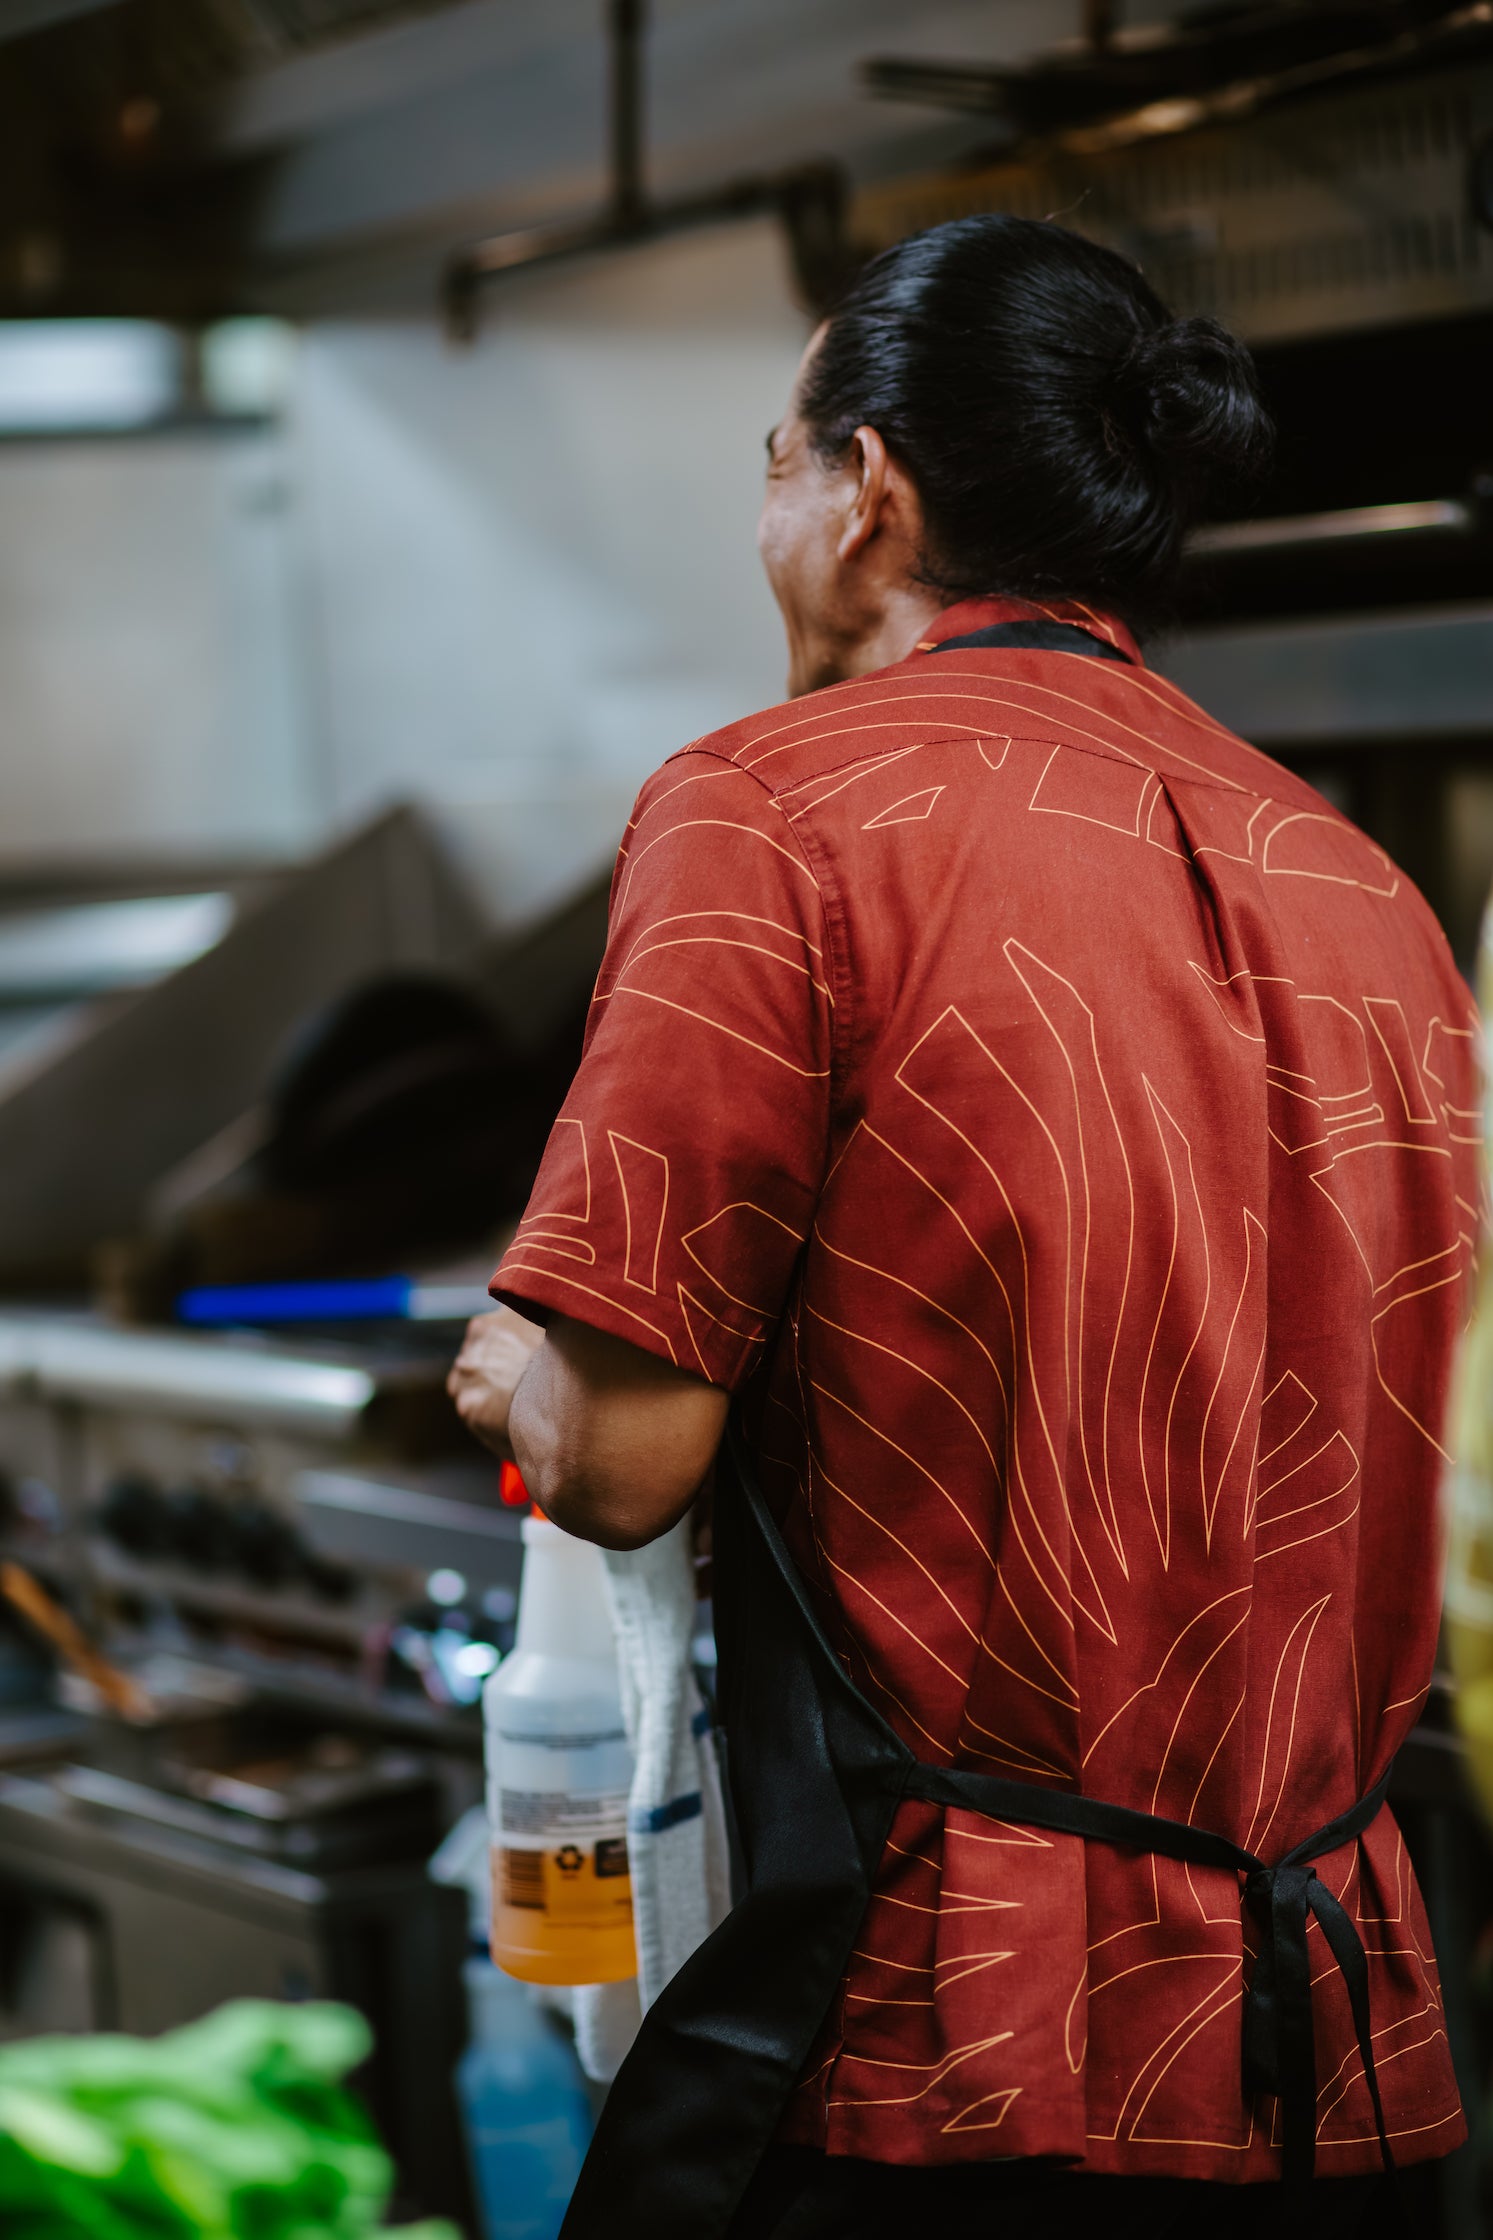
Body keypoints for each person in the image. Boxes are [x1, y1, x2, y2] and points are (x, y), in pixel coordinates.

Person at [448, 215, 1478, 2240]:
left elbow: (620, 1453)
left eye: (775, 458)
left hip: (970, 2054)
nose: (769, 513)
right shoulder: (1363, 885)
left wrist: (511, 1355)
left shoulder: (772, 809)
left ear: (873, 493)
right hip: (1343, 2047)